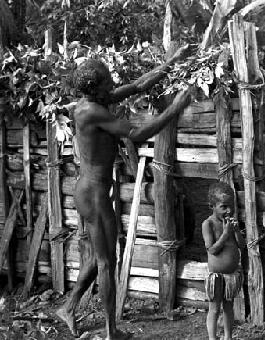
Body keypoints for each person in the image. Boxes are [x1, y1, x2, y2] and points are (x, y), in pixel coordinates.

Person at [55, 46, 193, 340]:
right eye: (108, 82)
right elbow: (136, 134)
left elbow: (138, 85)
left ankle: (68, 308)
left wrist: (174, 61)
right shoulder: (91, 111)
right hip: (92, 195)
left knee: (97, 258)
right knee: (108, 262)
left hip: (91, 192)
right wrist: (176, 108)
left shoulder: (94, 100)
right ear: (98, 88)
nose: (112, 86)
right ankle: (110, 331)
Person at [202, 182, 246, 340]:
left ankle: (228, 337)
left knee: (229, 307)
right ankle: (212, 338)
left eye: (231, 206)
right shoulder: (208, 224)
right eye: (224, 207)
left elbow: (241, 245)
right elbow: (212, 250)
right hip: (216, 276)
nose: (229, 211)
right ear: (212, 206)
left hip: (231, 276)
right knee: (214, 308)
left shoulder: (231, 224)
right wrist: (226, 234)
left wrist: (236, 232)